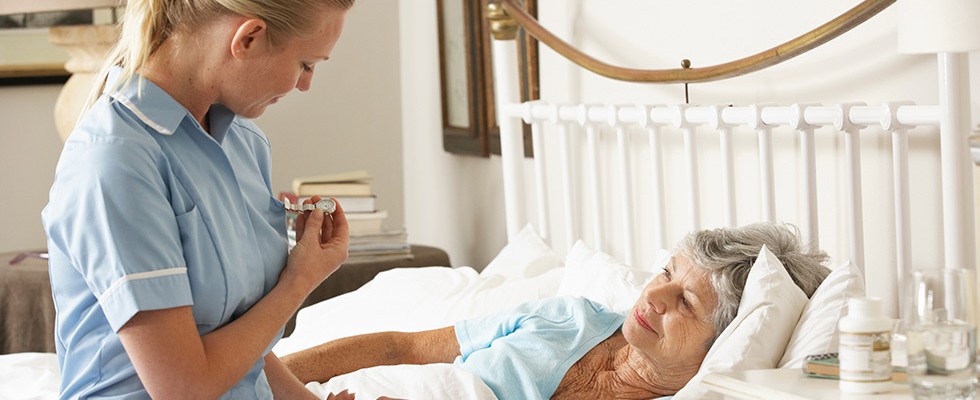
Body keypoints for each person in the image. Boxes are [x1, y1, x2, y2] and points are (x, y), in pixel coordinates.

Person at [41, 0, 356, 398]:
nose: (305, 84)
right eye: (306, 64)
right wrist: (299, 281)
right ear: (249, 38)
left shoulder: (244, 142)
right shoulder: (115, 159)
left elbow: (238, 342)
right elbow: (184, 388)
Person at [282, 223, 831, 399]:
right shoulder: (568, 316)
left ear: (723, 341)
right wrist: (263, 379)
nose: (653, 297)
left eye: (685, 302)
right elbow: (399, 347)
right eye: (666, 274)